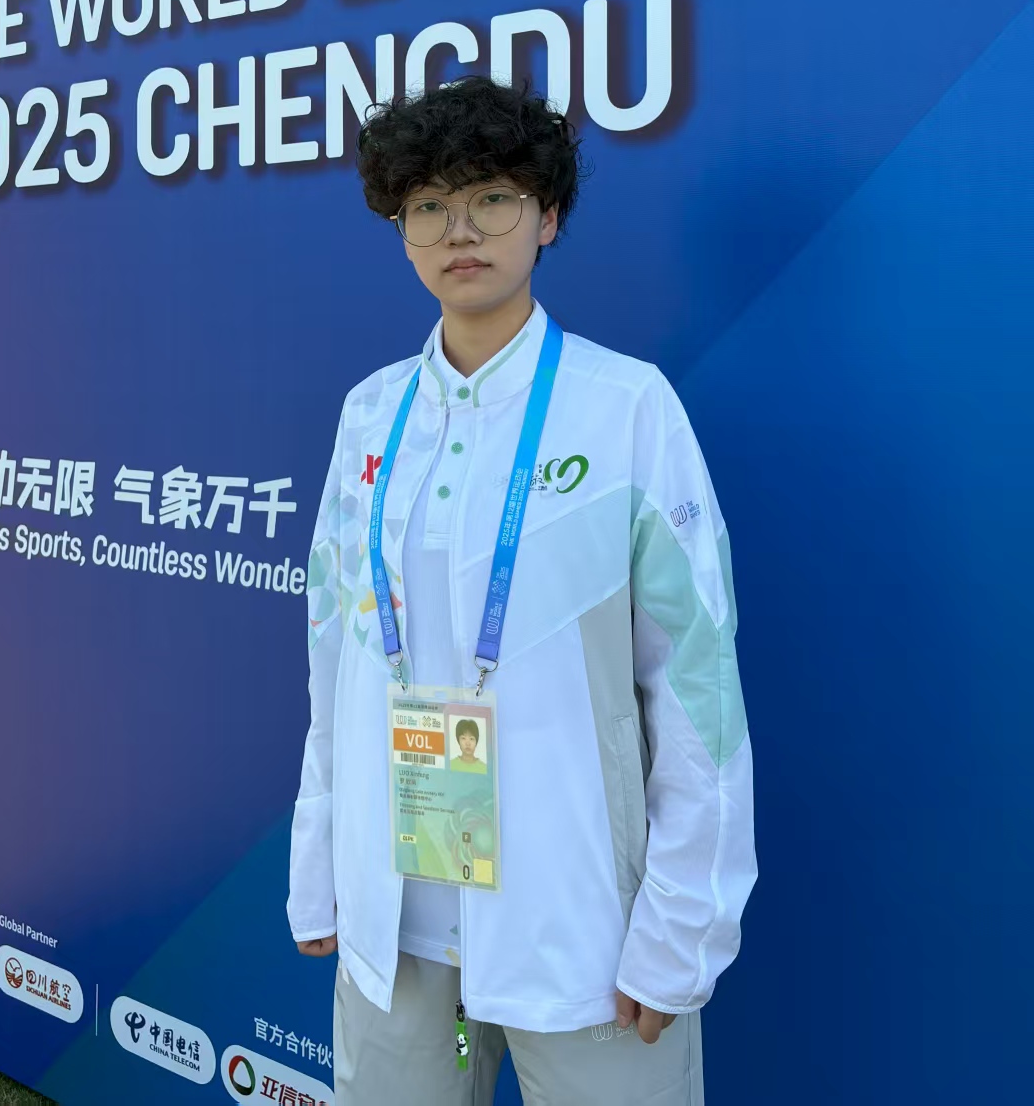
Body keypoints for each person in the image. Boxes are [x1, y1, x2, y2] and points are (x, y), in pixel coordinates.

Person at [287, 77, 755, 1106]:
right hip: (397, 911)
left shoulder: (623, 407)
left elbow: (697, 685)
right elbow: (332, 656)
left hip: (580, 921)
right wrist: (320, 860)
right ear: (400, 229)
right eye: (427, 205)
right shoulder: (371, 412)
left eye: (491, 198)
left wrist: (681, 925)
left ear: (546, 217)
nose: (459, 231)